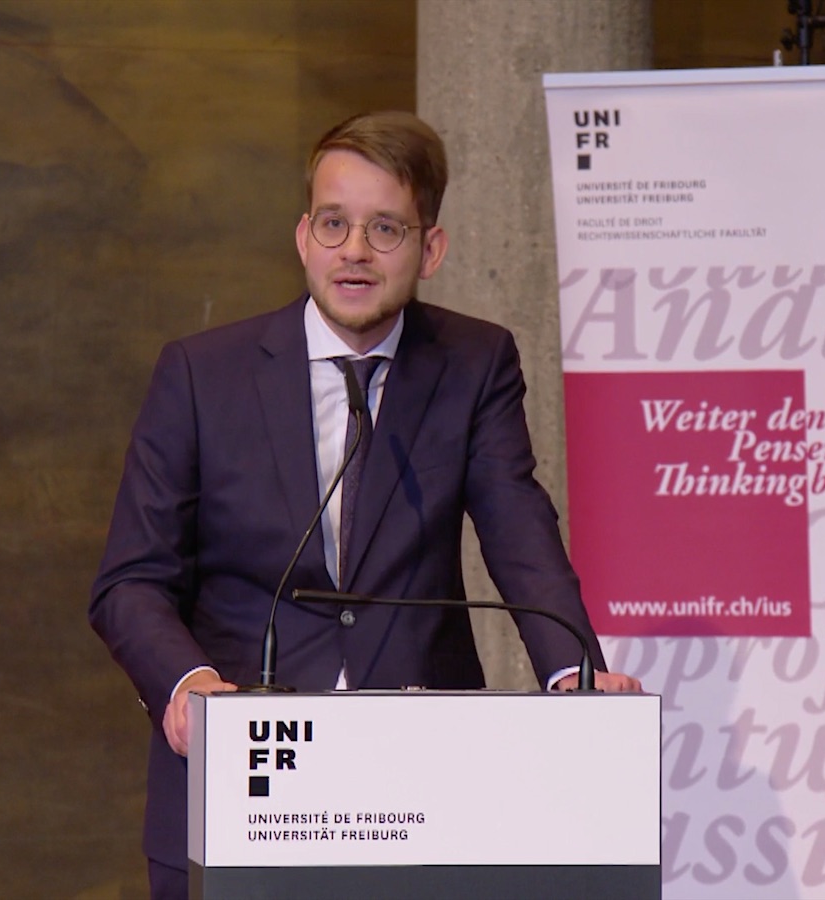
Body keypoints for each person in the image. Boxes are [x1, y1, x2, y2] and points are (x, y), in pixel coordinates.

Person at [89, 110, 641, 899]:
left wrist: (573, 676)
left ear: (431, 248)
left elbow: (518, 527)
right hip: (243, 782)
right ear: (303, 237)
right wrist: (188, 683)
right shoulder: (202, 375)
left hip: (423, 792)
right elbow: (131, 580)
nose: (354, 249)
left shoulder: (474, 363)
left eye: (385, 228)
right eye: (334, 223)